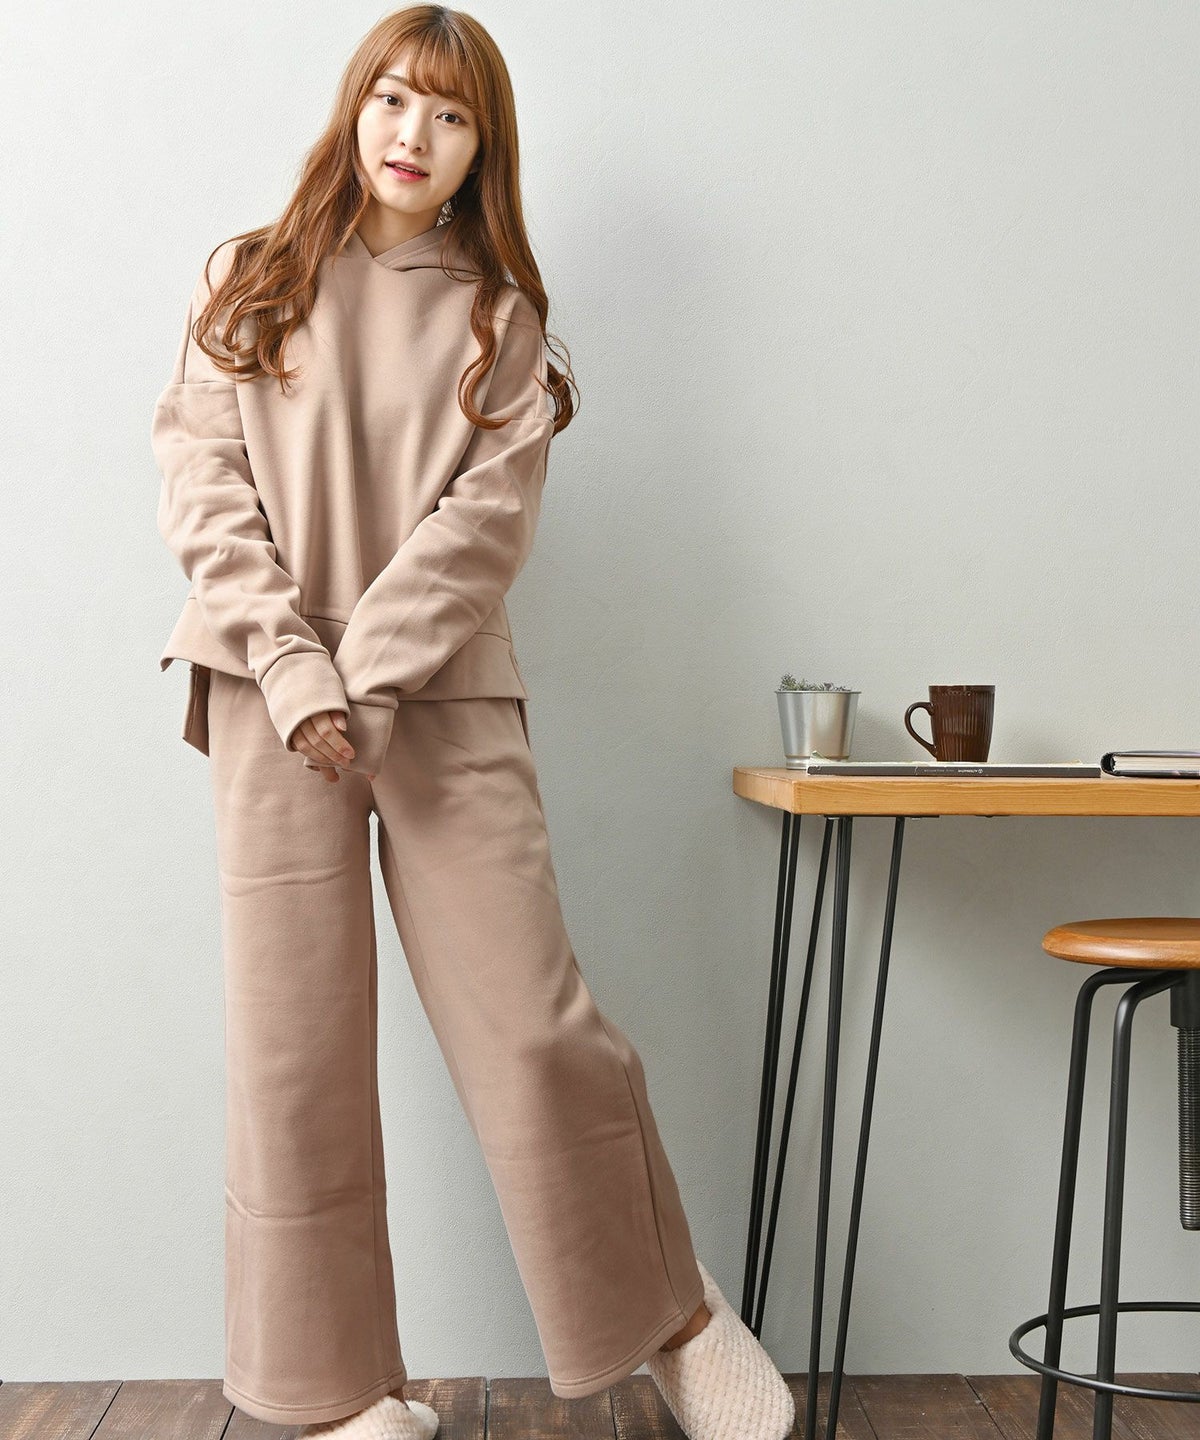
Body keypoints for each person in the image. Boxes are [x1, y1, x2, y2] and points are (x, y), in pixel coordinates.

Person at [150, 7, 794, 1439]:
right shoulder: (247, 280)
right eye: (394, 99)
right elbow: (204, 494)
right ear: (354, 105)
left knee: (532, 1025)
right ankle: (331, 1392)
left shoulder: (499, 323)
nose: (413, 136)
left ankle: (675, 1319)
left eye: (450, 117)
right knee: (295, 1050)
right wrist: (298, 670)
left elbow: (483, 527)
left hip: (438, 690)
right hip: (267, 690)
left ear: (481, 150)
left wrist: (366, 672)